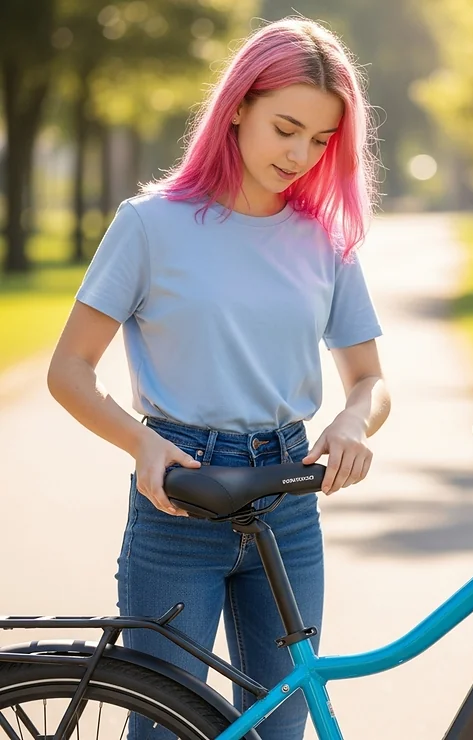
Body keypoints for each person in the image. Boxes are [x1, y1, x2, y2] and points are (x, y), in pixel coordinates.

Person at [47, 17, 390, 740]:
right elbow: (69, 370)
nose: (299, 154)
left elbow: (369, 379)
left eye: (321, 140)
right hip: (180, 497)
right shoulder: (149, 224)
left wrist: (355, 420)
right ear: (237, 107)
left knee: (281, 725)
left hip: (290, 498)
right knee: (164, 727)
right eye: (285, 128)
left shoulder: (324, 237)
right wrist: (140, 443)